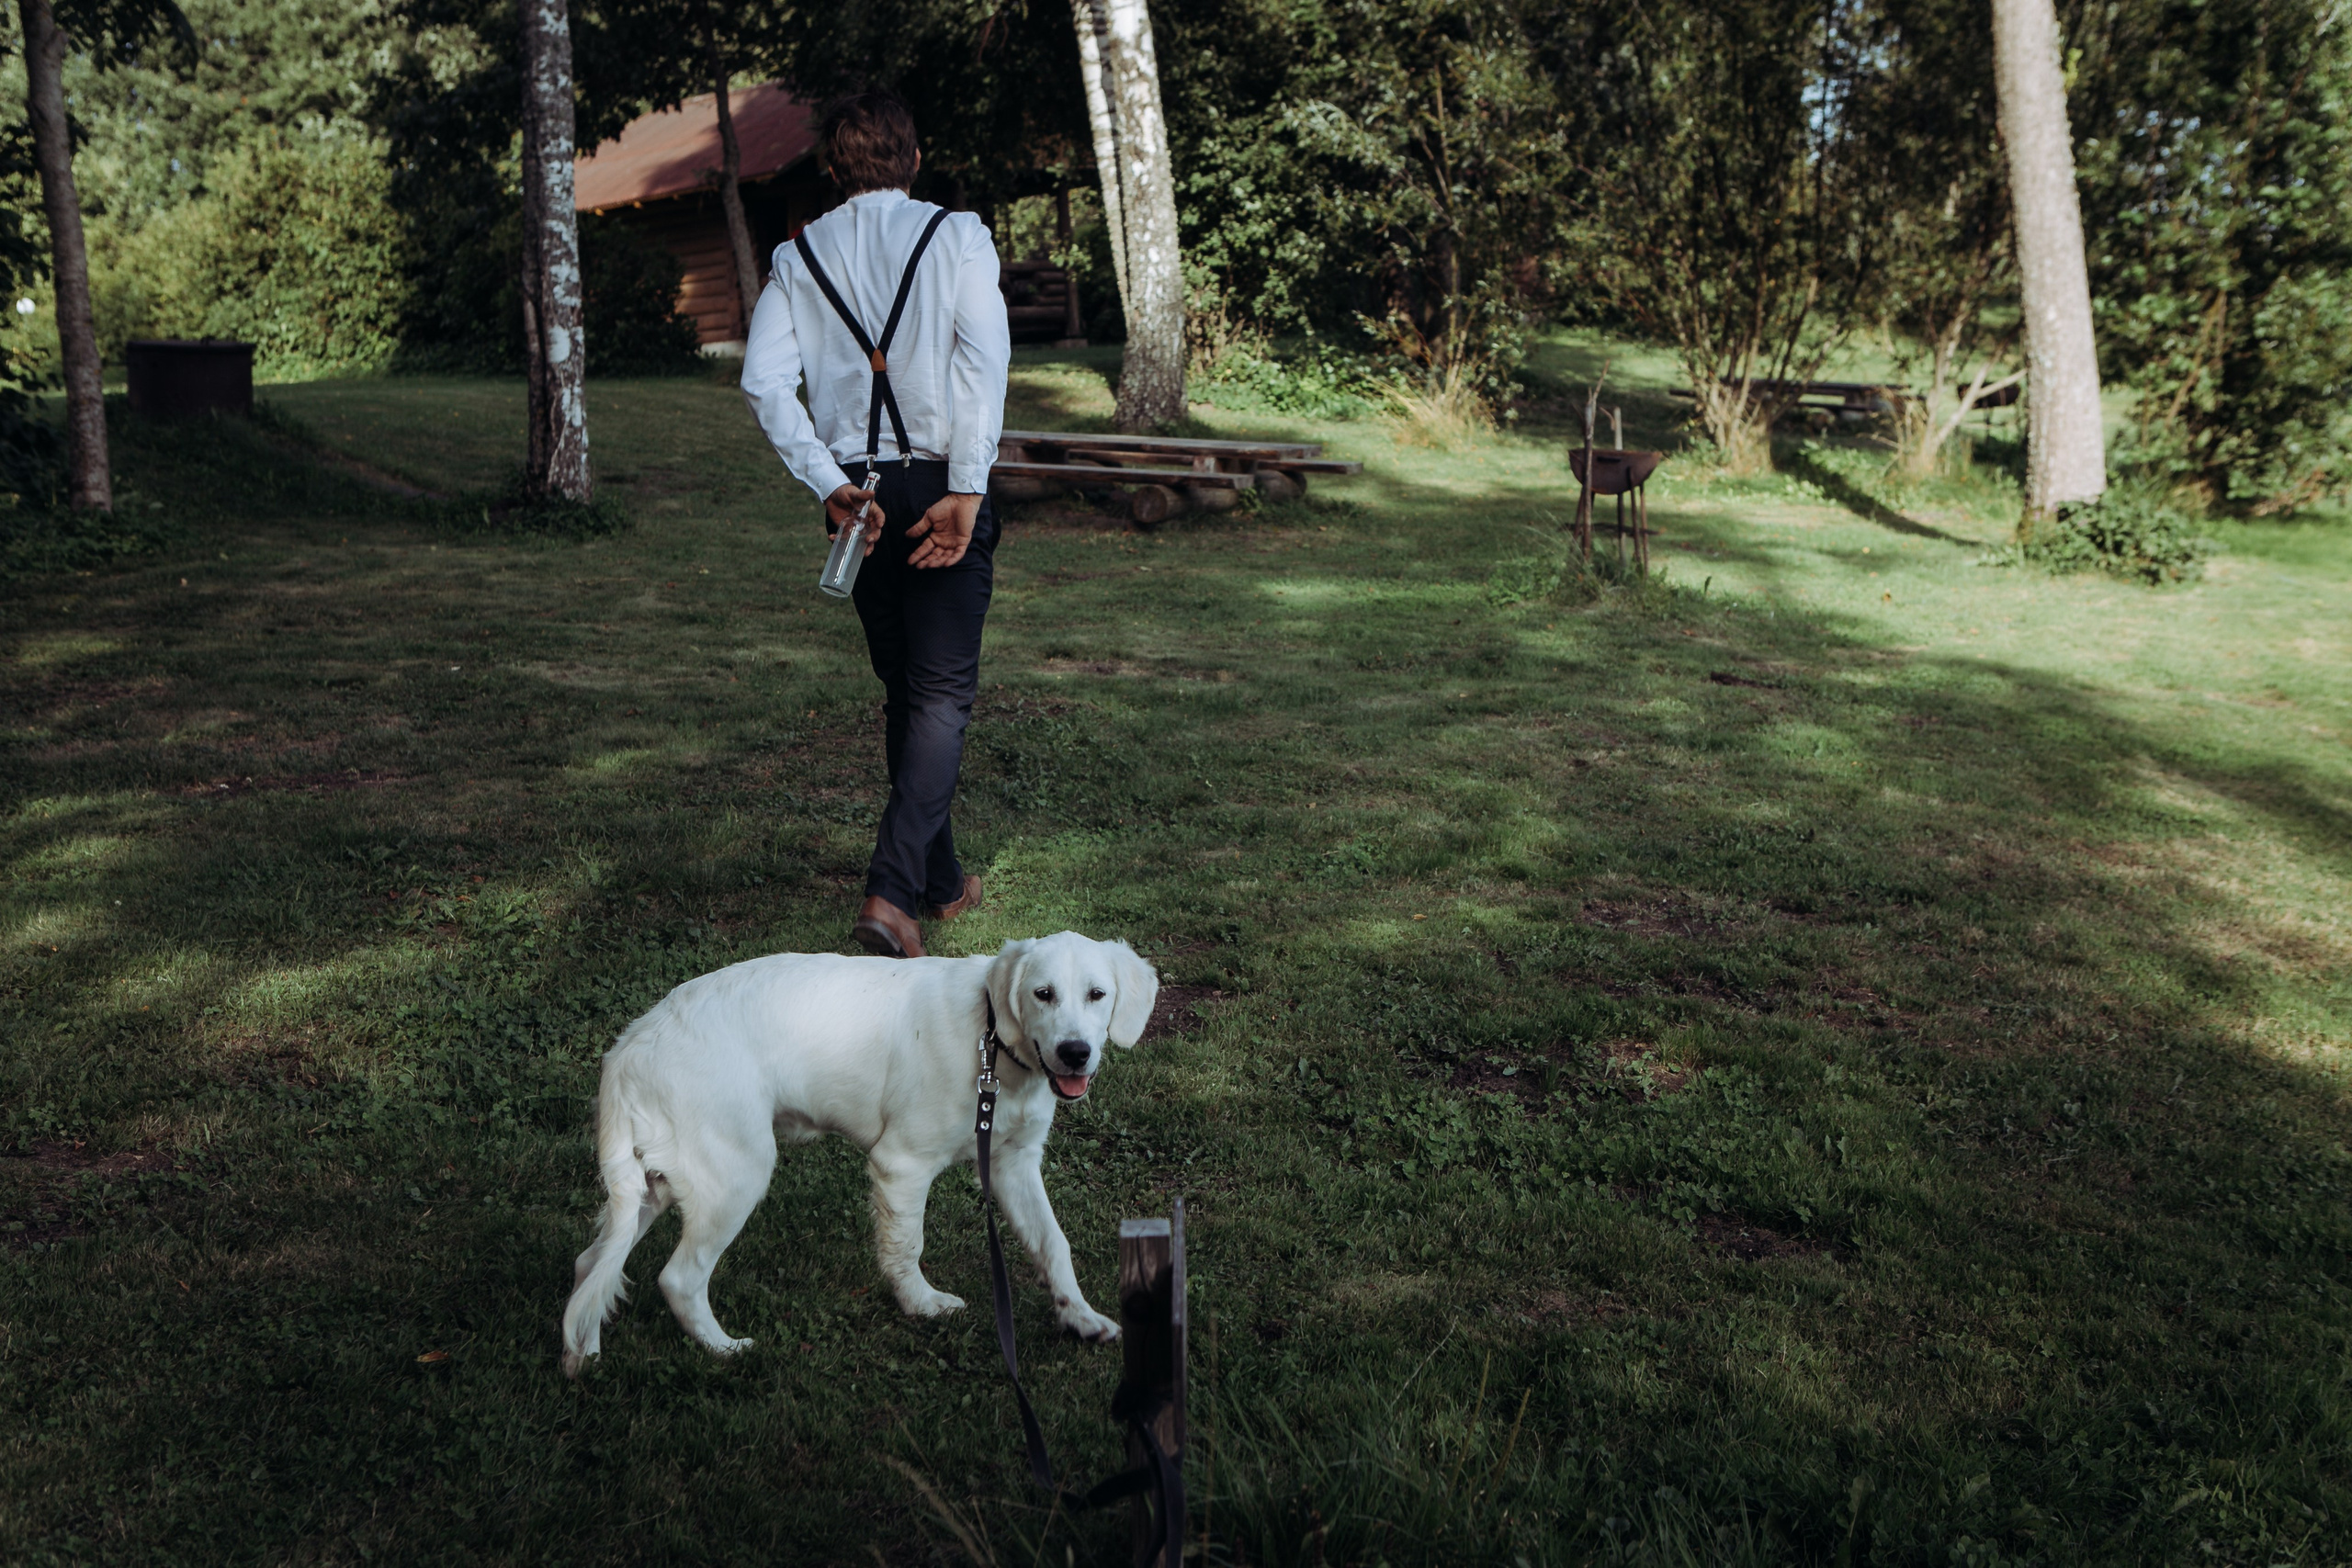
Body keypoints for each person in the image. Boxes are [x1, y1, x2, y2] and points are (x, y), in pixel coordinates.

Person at [741, 92, 1011, 959]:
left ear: (831, 172)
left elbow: (762, 383)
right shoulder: (956, 235)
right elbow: (983, 360)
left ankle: (938, 883)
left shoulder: (796, 253)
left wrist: (826, 481)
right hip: (940, 481)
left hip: (862, 498)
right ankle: (893, 895)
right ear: (916, 159)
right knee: (938, 696)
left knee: (908, 692)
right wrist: (967, 487)